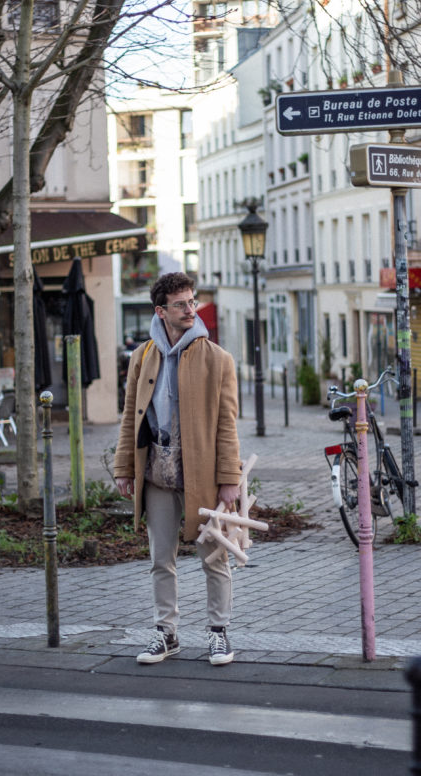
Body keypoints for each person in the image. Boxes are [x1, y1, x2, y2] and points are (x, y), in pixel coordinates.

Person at [114, 272, 242, 666]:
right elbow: (129, 417)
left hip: (201, 472)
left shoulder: (217, 359)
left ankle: (218, 633)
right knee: (160, 559)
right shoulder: (142, 356)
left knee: (214, 556)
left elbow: (227, 423)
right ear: (161, 311)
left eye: (192, 301)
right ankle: (166, 634)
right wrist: (124, 468)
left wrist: (229, 479)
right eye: (181, 304)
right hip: (156, 471)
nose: (191, 309)